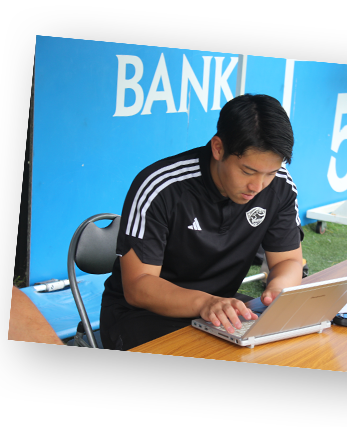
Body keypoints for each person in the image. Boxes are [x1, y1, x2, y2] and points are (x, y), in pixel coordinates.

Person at [100, 94, 304, 351]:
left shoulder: (280, 186)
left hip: (218, 311)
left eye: (270, 173)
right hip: (141, 316)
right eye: (247, 171)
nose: (257, 186)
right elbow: (138, 286)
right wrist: (205, 303)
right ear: (218, 148)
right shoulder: (161, 187)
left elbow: (288, 260)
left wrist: (278, 289)